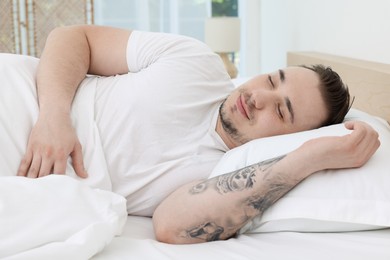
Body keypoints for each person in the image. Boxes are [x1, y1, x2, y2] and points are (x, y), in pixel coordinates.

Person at [13, 25, 379, 244]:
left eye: (281, 111)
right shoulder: (194, 61)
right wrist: (54, 117)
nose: (258, 97)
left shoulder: (225, 175)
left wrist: (310, 157)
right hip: (22, 100)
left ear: (291, 139)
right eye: (271, 79)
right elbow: (72, 37)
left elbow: (171, 228)